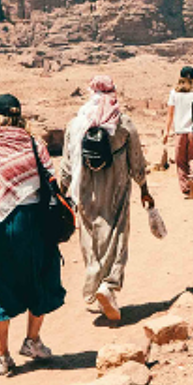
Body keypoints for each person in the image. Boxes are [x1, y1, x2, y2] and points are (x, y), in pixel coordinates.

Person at [0, 94, 68, 375]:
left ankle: (2, 356)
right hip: (34, 222)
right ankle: (33, 341)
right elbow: (50, 180)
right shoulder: (35, 145)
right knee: (40, 278)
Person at [57, 74, 152, 321]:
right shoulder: (123, 123)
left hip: (85, 193)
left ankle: (94, 275)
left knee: (90, 235)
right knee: (116, 234)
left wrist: (62, 193)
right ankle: (108, 285)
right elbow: (137, 160)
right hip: (116, 191)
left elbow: (66, 165)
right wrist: (144, 188)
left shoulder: (76, 125)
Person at [162, 66, 193, 198]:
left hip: (180, 131)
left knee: (181, 162)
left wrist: (166, 132)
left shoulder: (174, 93)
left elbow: (170, 114)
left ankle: (186, 189)